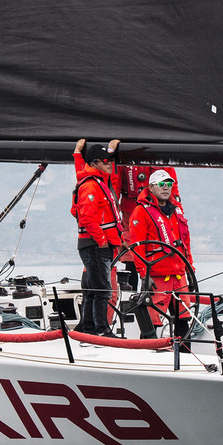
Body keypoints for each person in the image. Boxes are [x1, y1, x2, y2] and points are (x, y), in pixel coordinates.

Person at [128, 169, 194, 339]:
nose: (166, 188)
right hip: (156, 278)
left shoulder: (177, 210)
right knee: (152, 322)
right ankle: (149, 355)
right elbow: (137, 246)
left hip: (179, 276)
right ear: (151, 187)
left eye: (169, 184)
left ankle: (185, 357)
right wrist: (144, 274)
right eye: (162, 184)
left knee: (183, 320)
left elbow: (185, 243)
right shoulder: (141, 211)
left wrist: (190, 270)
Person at [72, 140, 124, 336]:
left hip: (98, 244)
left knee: (93, 289)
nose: (110, 163)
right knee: (102, 290)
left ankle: (89, 327)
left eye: (111, 160)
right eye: (105, 160)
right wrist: (101, 239)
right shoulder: (91, 186)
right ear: (94, 164)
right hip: (96, 245)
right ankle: (101, 329)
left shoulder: (99, 182)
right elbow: (86, 216)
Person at [116, 162, 180, 292]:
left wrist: (178, 214)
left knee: (163, 253)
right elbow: (115, 190)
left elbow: (175, 192)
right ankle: (131, 300)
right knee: (131, 257)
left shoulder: (163, 162)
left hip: (159, 216)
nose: (166, 187)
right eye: (162, 184)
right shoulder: (123, 163)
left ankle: (160, 296)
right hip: (130, 217)